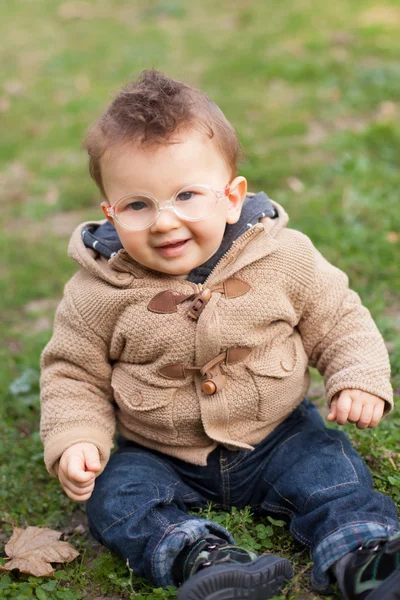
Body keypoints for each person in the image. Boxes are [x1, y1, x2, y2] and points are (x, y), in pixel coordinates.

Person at [40, 69, 400, 600]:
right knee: (115, 497)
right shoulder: (98, 290)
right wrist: (76, 439)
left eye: (187, 195)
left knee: (332, 473)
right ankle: (203, 559)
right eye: (138, 205)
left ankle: (364, 555)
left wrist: (358, 378)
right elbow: (73, 372)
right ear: (110, 213)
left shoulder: (284, 258)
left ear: (233, 197)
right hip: (160, 450)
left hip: (278, 433)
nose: (164, 221)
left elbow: (340, 316)